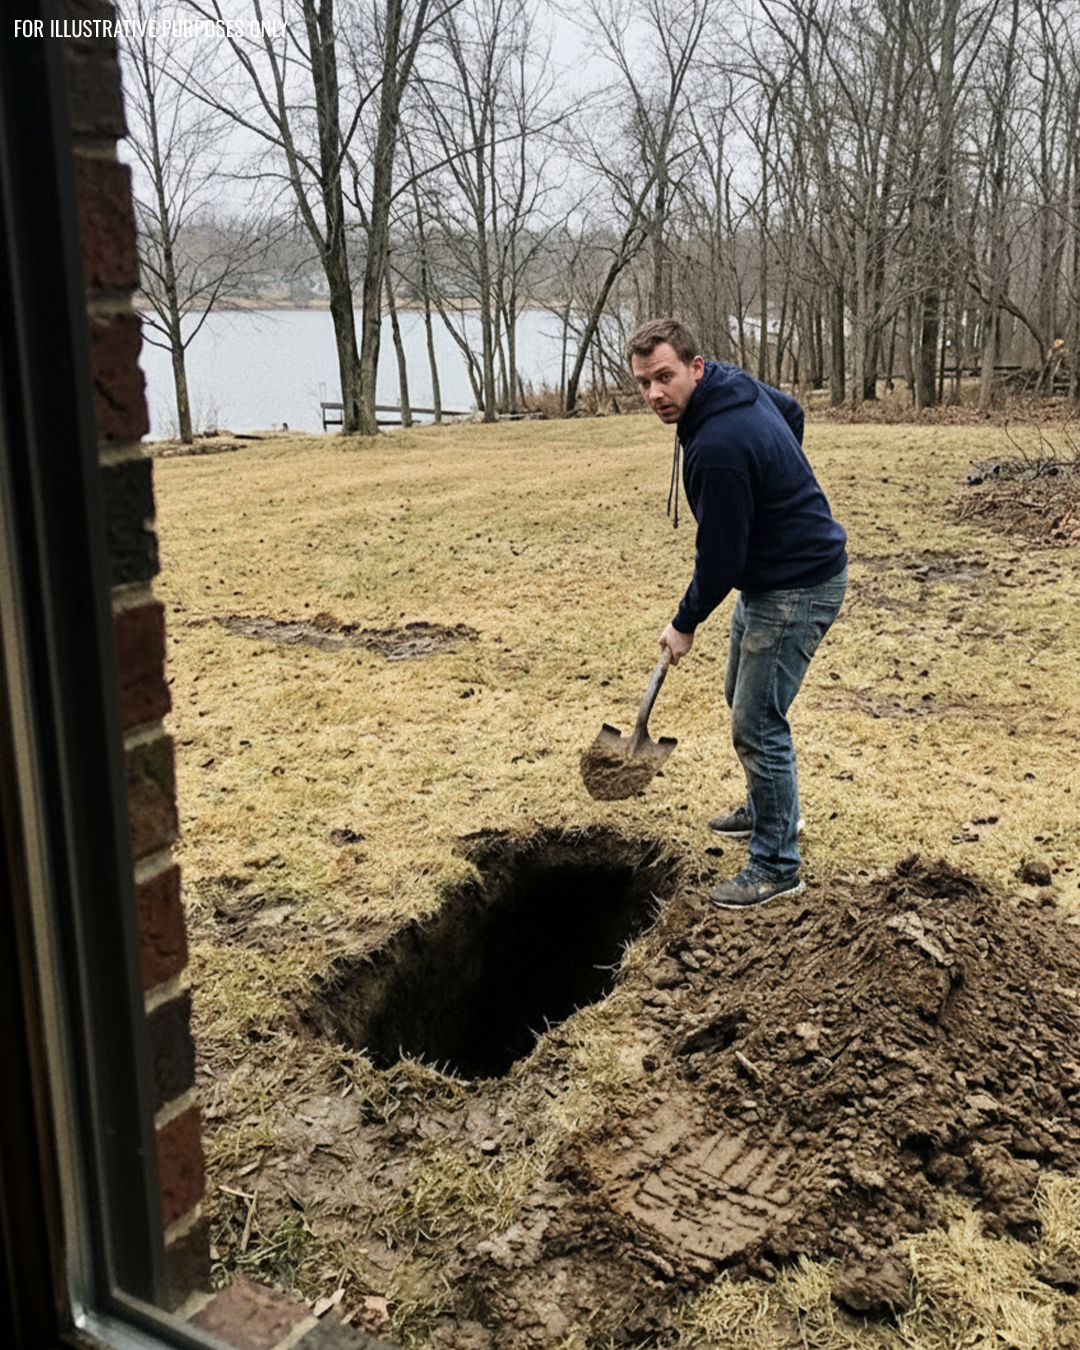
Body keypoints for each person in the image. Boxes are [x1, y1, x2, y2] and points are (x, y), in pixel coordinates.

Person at [627, 318, 848, 910]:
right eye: (644, 382)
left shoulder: (718, 449)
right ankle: (767, 807)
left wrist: (684, 621)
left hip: (796, 585)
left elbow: (720, 558)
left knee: (756, 720)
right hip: (777, 575)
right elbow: (793, 411)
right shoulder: (731, 385)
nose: (654, 395)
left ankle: (777, 863)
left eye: (665, 377)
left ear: (695, 367)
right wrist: (775, 486)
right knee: (739, 693)